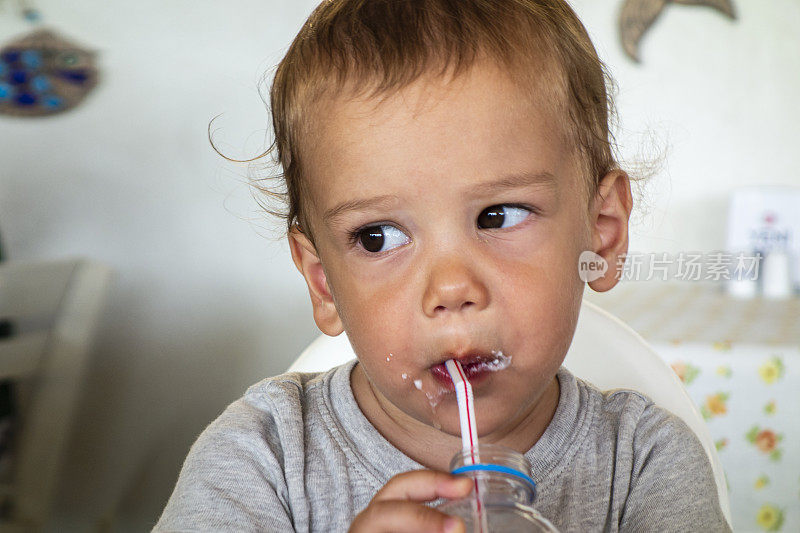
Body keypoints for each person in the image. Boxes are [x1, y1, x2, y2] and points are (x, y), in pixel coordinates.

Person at [155, 0, 730, 531]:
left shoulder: (645, 465)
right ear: (324, 281)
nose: (452, 288)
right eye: (377, 237)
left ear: (600, 237)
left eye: (499, 216)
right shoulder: (262, 459)